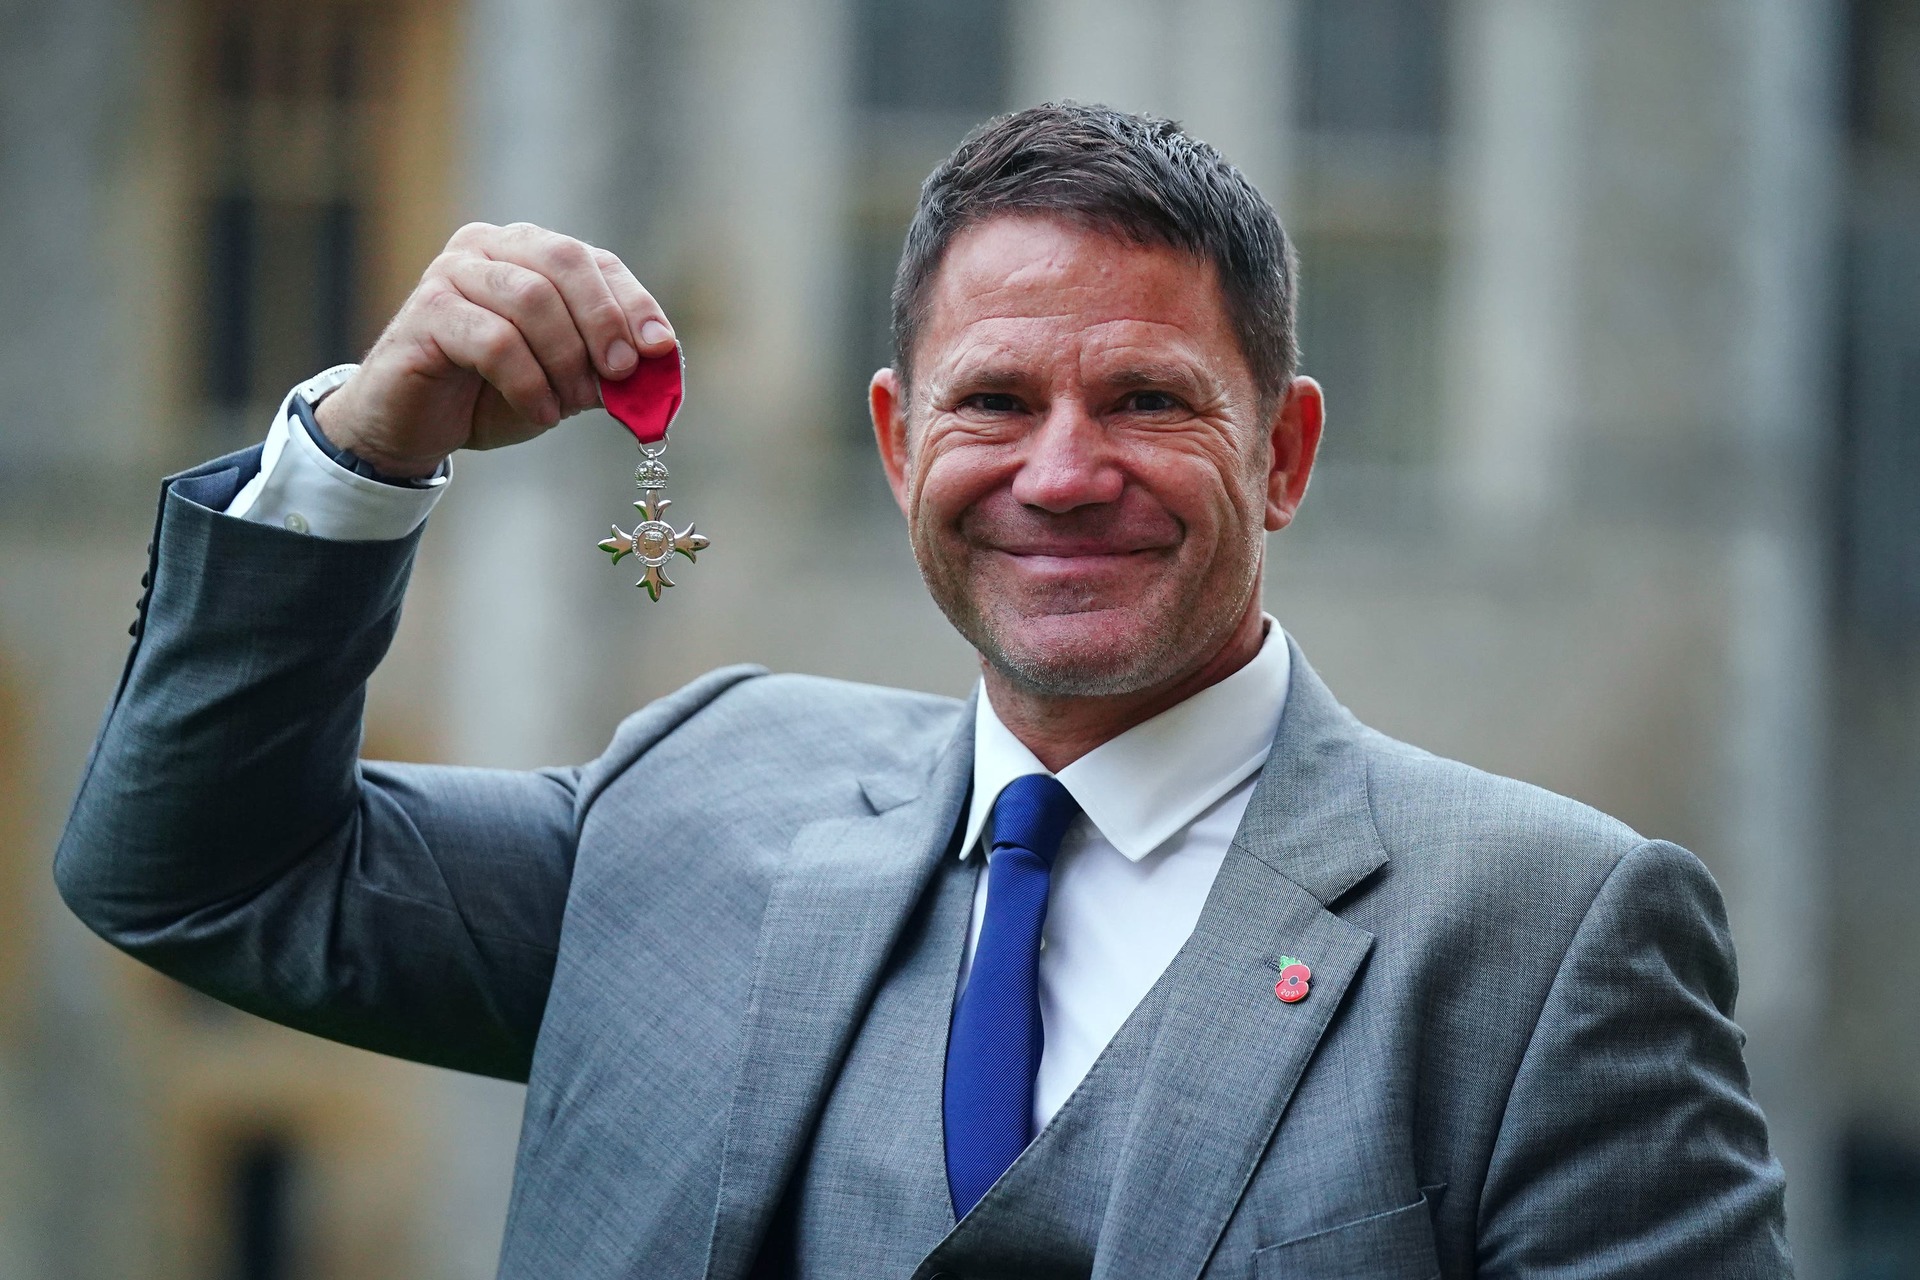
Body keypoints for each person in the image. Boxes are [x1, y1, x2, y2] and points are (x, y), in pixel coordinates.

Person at [56, 103, 1792, 1278]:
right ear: (899, 446)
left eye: (1150, 403)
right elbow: (195, 871)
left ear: (1287, 455)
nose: (1060, 470)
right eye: (992, 403)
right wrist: (368, 450)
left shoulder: (1550, 932)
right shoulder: (697, 797)